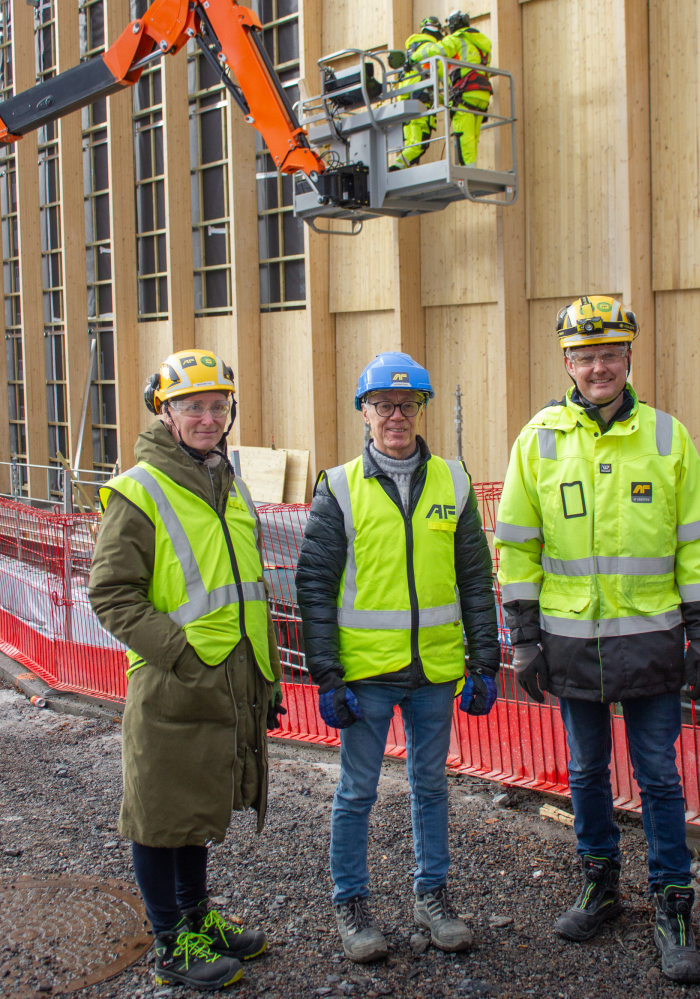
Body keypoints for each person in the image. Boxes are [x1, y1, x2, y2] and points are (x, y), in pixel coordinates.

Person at [495, 298, 700, 984]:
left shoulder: (666, 438)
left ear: (628, 359)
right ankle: (599, 886)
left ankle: (672, 904)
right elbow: (518, 544)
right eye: (586, 356)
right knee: (586, 773)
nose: (599, 366)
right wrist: (524, 639)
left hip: (654, 647)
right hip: (569, 648)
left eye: (611, 354)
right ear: (567, 362)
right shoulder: (537, 439)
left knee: (657, 775)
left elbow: (697, 545)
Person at [89, 349, 285, 991]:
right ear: (165, 413)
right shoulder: (139, 490)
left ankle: (198, 919)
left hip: (232, 680)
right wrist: (181, 655)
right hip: (174, 682)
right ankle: (172, 944)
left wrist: (266, 678)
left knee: (194, 811)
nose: (208, 417)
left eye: (217, 405)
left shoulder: (230, 483)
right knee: (158, 815)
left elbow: (249, 589)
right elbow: (113, 594)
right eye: (192, 406)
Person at [295, 352, 501, 963]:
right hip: (366, 675)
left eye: (407, 405)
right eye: (382, 404)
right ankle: (350, 904)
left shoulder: (454, 482)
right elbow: (315, 586)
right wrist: (327, 674)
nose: (395, 416)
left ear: (421, 410)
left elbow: (473, 580)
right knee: (357, 792)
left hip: (435, 672)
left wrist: (484, 661)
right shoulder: (338, 487)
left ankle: (431, 896)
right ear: (364, 412)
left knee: (430, 786)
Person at [409, 10, 492, 166]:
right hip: (483, 93)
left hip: (465, 93)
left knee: (464, 136)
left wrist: (412, 58)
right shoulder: (482, 45)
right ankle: (472, 167)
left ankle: (469, 172)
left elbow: (434, 51)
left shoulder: (456, 40)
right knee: (473, 136)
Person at [388, 16, 444, 171]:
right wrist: (450, 94)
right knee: (419, 144)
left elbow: (421, 80)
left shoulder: (411, 49)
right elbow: (440, 75)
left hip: (406, 99)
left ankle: (400, 167)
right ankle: (396, 168)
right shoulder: (432, 49)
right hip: (419, 100)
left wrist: (441, 98)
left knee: (412, 142)